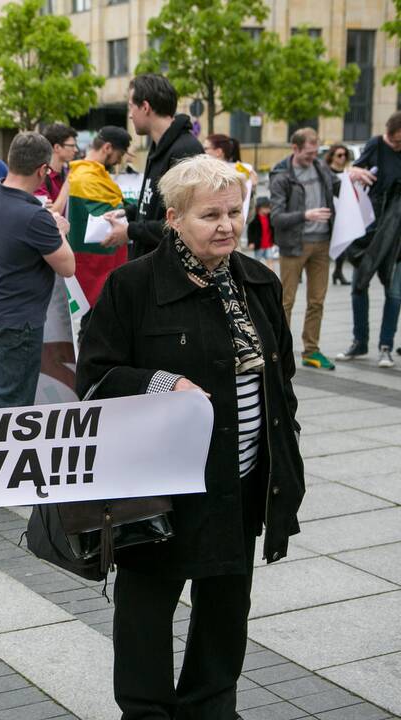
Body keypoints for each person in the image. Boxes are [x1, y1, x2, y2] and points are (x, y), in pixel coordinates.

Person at [77, 155, 304, 720]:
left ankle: (210, 706)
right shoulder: (133, 286)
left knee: (226, 608)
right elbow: (95, 376)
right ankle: (147, 711)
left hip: (244, 480)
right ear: (174, 219)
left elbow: (283, 379)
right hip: (161, 488)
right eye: (211, 215)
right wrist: (161, 381)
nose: (227, 225)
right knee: (146, 611)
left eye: (234, 212)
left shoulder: (258, 282)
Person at [0, 131, 75, 408]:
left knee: (3, 389)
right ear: (42, 170)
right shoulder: (35, 216)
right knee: (14, 402)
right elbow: (68, 267)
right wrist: (60, 231)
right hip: (21, 322)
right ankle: (1, 448)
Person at [106, 74, 204, 259]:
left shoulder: (185, 150)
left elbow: (184, 223)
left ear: (145, 107)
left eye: (130, 107)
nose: (129, 114)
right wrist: (127, 213)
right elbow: (155, 206)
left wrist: (130, 231)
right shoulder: (158, 147)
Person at [269, 127, 340, 370]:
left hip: (322, 242)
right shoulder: (281, 176)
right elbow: (276, 218)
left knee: (317, 300)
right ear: (295, 148)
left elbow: (340, 185)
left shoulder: (321, 168)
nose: (313, 158)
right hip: (294, 244)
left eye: (315, 153)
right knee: (286, 301)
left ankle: (311, 350)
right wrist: (305, 215)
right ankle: (280, 351)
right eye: (308, 154)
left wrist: (355, 174)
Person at [337, 112, 401, 368]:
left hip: (398, 234)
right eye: (394, 141)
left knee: (394, 292)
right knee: (359, 284)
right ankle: (359, 341)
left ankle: (386, 346)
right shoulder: (376, 144)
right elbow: (354, 170)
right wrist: (353, 173)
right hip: (372, 227)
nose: (397, 146)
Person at [65, 126, 132, 305]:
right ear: (107, 148)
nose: (119, 161)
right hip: (95, 267)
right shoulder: (87, 178)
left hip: (93, 265)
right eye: (120, 154)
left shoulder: (83, 174)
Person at [326, 144, 355, 285]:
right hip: (329, 213)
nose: (342, 158)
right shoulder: (325, 172)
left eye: (345, 155)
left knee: (342, 244)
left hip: (343, 213)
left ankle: (338, 272)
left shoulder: (348, 173)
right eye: (339, 155)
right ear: (332, 156)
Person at [38, 123, 78, 212]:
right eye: (72, 146)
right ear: (57, 147)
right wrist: (69, 181)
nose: (76, 150)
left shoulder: (66, 172)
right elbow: (51, 215)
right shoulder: (40, 177)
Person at [247, 196, 278, 273]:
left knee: (270, 260)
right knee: (257, 262)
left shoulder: (270, 217)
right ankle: (256, 275)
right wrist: (250, 242)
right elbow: (250, 231)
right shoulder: (254, 219)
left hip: (268, 244)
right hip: (259, 245)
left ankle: (272, 275)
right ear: (260, 208)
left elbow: (273, 230)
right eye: (266, 208)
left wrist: (275, 241)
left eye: (269, 208)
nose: (269, 210)